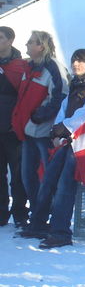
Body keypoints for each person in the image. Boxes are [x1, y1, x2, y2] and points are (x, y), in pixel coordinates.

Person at [22, 49, 85, 248]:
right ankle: (38, 224)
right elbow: (65, 108)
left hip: (83, 142)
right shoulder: (76, 85)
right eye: (74, 61)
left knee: (65, 186)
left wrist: (63, 129)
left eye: (80, 61)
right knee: (48, 180)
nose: (76, 64)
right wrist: (58, 129)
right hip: (67, 139)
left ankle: (60, 232)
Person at [12, 31, 68, 231]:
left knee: (47, 177)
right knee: (28, 176)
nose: (26, 44)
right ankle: (37, 217)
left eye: (31, 42)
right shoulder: (30, 66)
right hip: (29, 130)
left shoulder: (52, 67)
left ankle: (45, 218)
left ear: (41, 46)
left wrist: (40, 116)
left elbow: (61, 95)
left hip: (44, 131)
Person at [0, 26, 28, 227]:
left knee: (18, 175)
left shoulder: (21, 66)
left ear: (10, 40)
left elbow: (25, 97)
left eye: (0, 38)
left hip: (13, 130)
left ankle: (20, 212)